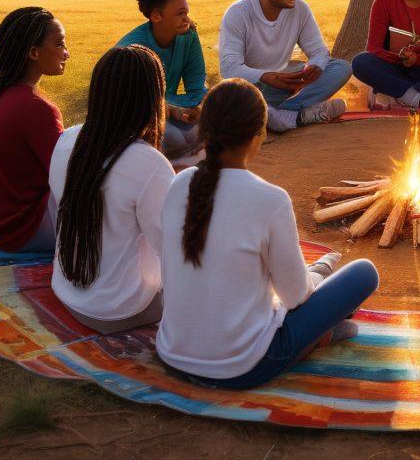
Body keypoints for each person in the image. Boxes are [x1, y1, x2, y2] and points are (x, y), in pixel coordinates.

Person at [156, 78, 380, 388]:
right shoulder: (270, 199)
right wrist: (317, 276)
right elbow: (295, 296)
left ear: (204, 131)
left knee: (313, 290)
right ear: (259, 135)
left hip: (173, 354)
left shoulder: (178, 183)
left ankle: (320, 330)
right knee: (363, 275)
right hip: (244, 367)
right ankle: (316, 336)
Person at [49, 45, 174, 333]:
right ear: (151, 99)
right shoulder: (149, 165)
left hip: (66, 290)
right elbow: (172, 251)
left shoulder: (66, 139)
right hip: (121, 310)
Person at [0, 7, 68, 253]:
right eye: (59, 44)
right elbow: (70, 177)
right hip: (23, 230)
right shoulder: (36, 108)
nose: (66, 53)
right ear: (34, 53)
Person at [218, 0, 352, 133]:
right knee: (232, 97)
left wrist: (315, 66)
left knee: (341, 68)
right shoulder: (238, 13)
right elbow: (229, 68)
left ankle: (280, 114)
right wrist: (265, 76)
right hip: (254, 86)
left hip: (287, 82)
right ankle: (296, 115)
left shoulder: (300, 9)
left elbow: (319, 50)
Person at [117, 0, 207, 159]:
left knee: (206, 127)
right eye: (180, 13)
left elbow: (197, 86)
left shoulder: (188, 35)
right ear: (156, 16)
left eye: (187, 12)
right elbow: (131, 103)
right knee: (178, 139)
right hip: (141, 117)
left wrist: (201, 107)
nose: (187, 19)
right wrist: (173, 109)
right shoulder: (132, 49)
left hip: (174, 110)